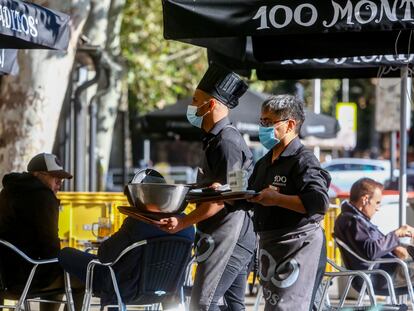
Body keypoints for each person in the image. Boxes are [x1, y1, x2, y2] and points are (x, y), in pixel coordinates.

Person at [159, 63, 256, 311]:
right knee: (234, 305)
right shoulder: (217, 140)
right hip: (229, 233)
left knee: (204, 302)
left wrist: (181, 222)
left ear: (211, 105)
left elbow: (224, 198)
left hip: (230, 235)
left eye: (195, 100)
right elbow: (234, 186)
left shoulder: (227, 142)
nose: (191, 106)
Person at [246, 94, 331, 310]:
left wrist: (277, 199)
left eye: (268, 122)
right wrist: (227, 192)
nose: (263, 127)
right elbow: (251, 194)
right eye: (262, 121)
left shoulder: (303, 159)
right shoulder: (265, 162)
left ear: (290, 124)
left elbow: (319, 202)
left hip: (299, 247)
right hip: (270, 247)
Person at [0, 152, 82, 311]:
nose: (59, 183)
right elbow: (49, 245)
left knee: (57, 268)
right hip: (26, 277)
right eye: (55, 177)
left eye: (62, 179)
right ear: (37, 175)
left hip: (4, 277)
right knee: (83, 274)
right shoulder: (43, 197)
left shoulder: (7, 192)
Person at [58, 217, 195, 307]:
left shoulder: (137, 222)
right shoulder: (187, 227)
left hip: (126, 290)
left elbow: (105, 256)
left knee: (66, 254)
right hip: (169, 291)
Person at [334, 177, 414, 290]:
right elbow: (371, 250)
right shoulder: (352, 221)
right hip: (381, 276)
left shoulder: (354, 219)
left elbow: (370, 246)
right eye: (377, 202)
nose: (378, 208)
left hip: (383, 272)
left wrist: (393, 247)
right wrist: (396, 234)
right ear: (365, 199)